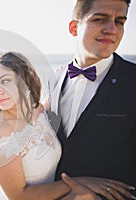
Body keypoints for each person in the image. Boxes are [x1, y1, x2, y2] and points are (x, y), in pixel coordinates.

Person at [0, 51, 134, 200]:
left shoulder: (37, 110)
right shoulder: (0, 135)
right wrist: (78, 184)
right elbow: (19, 196)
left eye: (5, 81)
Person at [47, 0, 136, 198]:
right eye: (100, 19)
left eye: (120, 22)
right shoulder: (53, 79)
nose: (112, 29)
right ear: (74, 28)